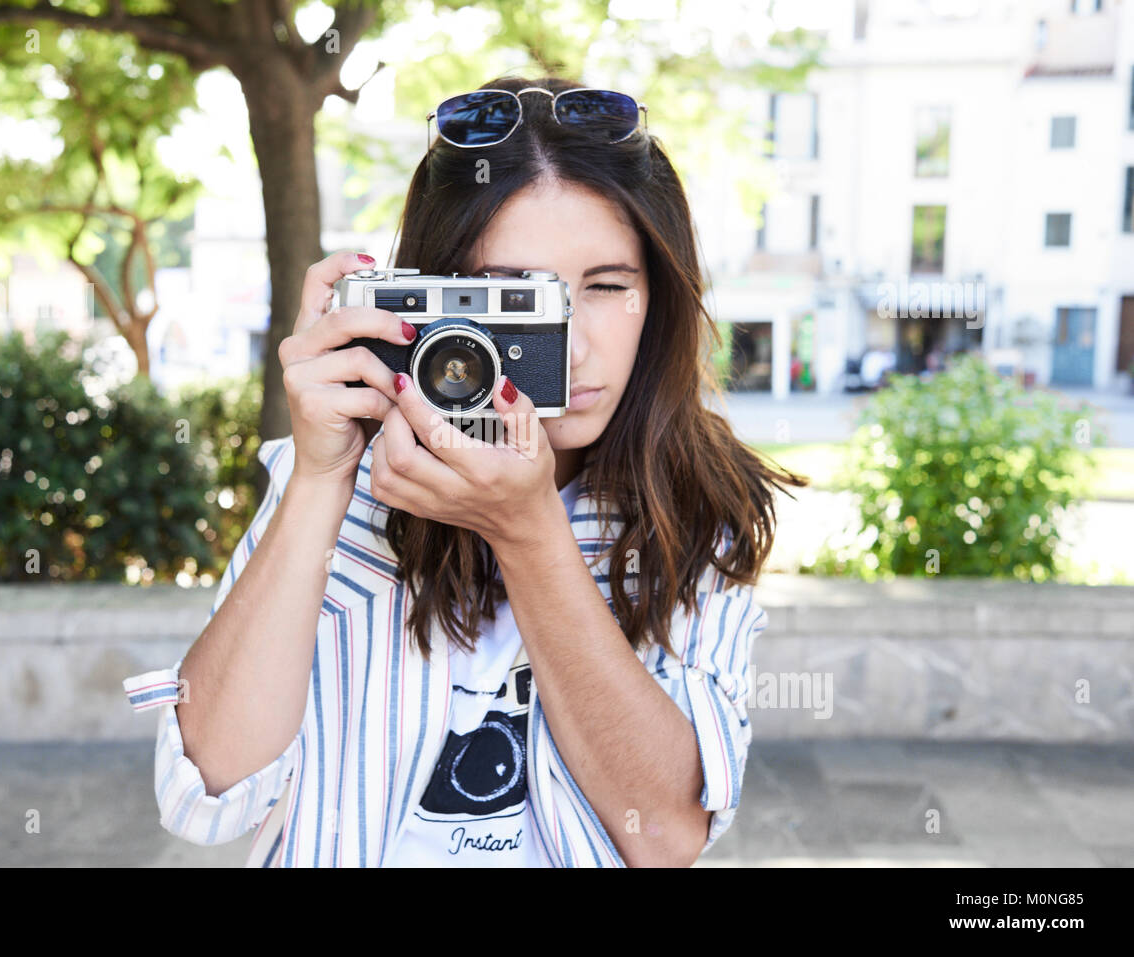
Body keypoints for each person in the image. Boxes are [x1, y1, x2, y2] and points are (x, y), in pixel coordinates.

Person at [122, 75, 807, 867]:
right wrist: (320, 479)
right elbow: (207, 790)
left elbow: (666, 835)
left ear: (658, 295)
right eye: (514, 300)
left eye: (607, 287)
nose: (573, 346)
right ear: (433, 301)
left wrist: (529, 535)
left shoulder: (695, 505)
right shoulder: (342, 477)